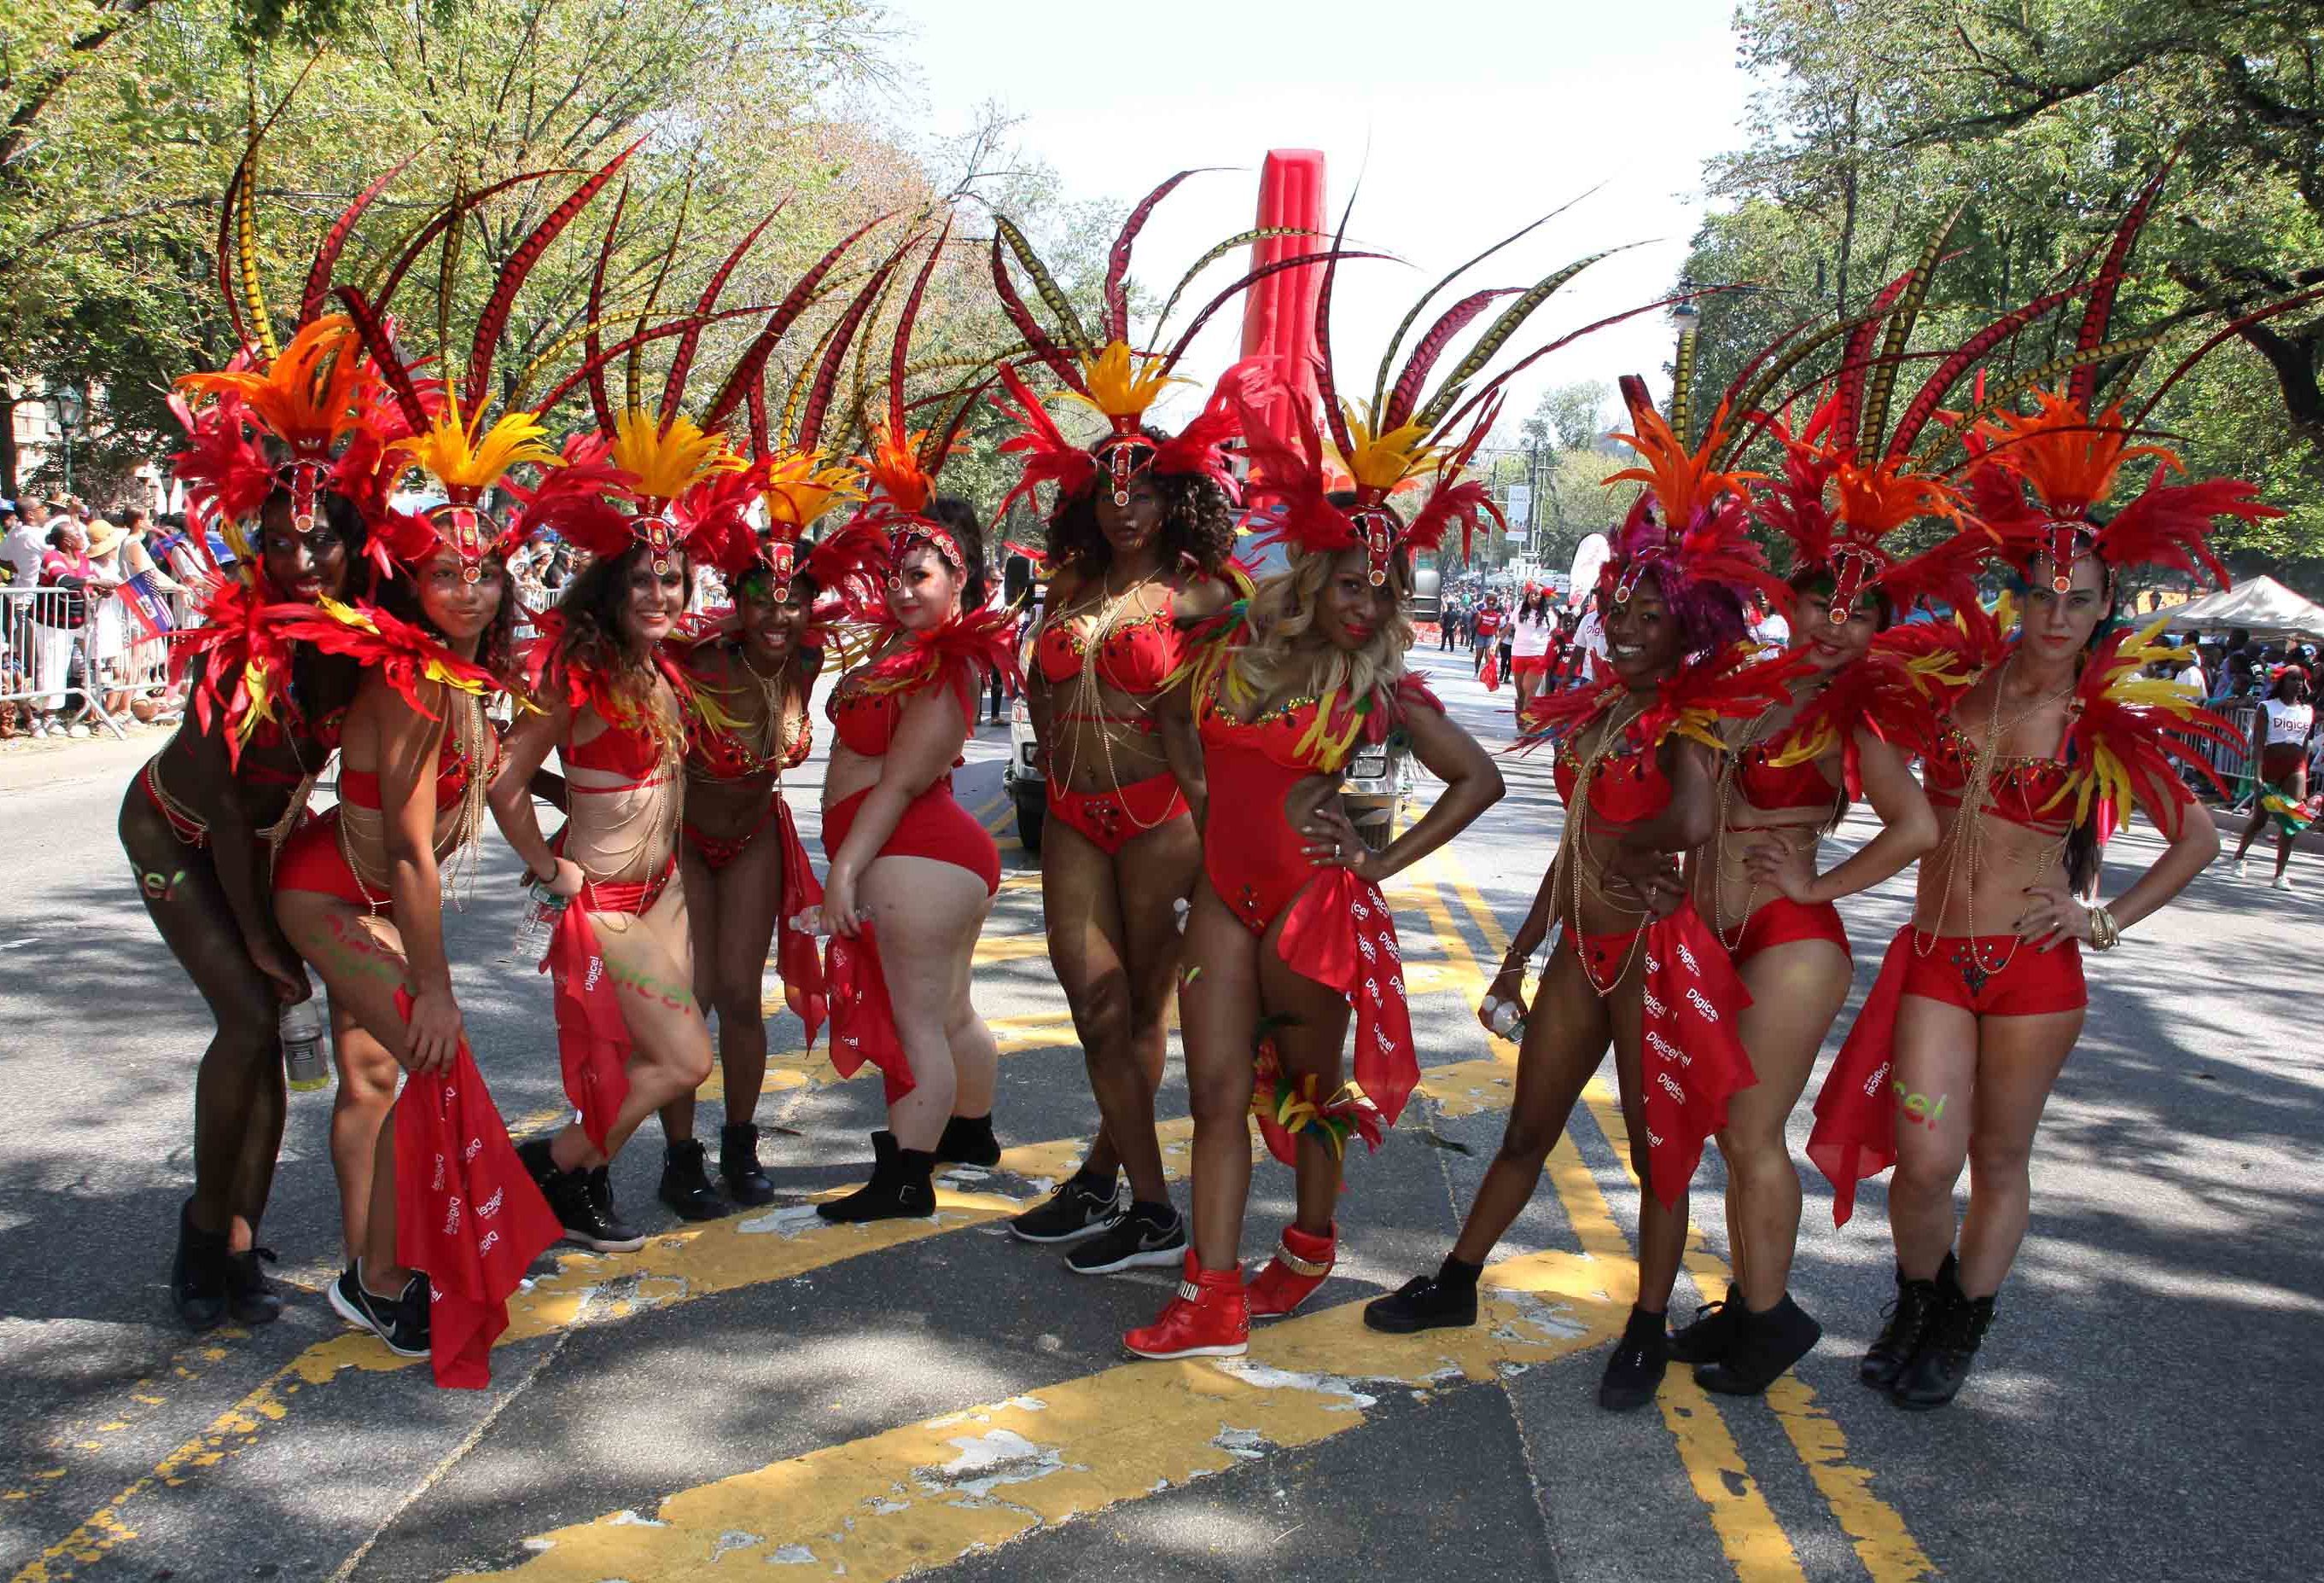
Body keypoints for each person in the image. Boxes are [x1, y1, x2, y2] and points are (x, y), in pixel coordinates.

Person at [1126, 216, 1623, 1357]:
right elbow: (1165, 716)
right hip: (1221, 898)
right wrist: (1203, 813)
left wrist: (1378, 862)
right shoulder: (1233, 655)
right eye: (1351, 578)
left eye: (1383, 583)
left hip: (1311, 906)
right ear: (1316, 575)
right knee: (1211, 1094)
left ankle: (1303, 1243)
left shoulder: (1380, 686)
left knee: (1304, 1090)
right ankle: (1208, 1295)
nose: (1365, 597)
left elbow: (1477, 780)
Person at [1808, 371, 2265, 1410]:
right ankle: (1913, 1301)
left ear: (2106, 607)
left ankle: (1962, 1324)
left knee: (1997, 1157)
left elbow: (2192, 836)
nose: (2056, 613)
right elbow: (1854, 690)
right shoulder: (1949, 681)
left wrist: (2098, 915)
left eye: (2079, 599)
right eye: (2040, 593)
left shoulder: (2100, 717)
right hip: (1933, 955)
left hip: (2031, 973)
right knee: (1924, 1159)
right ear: (2014, 595)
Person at [1362, 377, 1792, 1415]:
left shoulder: (1687, 716)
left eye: (1649, 615)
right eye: (1618, 609)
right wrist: (1519, 949)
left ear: (1684, 625)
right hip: (1578, 951)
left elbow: (1690, 822)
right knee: (1527, 1129)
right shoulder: (1599, 711)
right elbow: (1569, 842)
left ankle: (1646, 1324)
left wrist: (1620, 836)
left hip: (1652, 950)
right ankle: (1456, 1281)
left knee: (1658, 1157)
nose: (1628, 625)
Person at [985, 183, 1283, 1270]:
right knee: (1092, 1002)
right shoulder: (1060, 586)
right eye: (1109, 489)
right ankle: (1135, 1194)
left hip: (1167, 815)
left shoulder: (1209, 598)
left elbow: (1259, 715)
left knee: (1135, 1010)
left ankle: (1127, 1194)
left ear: (1173, 498)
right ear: (1085, 497)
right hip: (1070, 813)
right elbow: (1038, 694)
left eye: (1144, 489)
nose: (1125, 505)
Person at [492, 413, 739, 1250]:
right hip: (605, 902)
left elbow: (607, 779)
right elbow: (503, 778)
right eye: (642, 582)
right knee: (681, 1061)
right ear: (609, 588)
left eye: (672, 581)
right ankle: (545, 1163)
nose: (661, 597)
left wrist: (580, 795)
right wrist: (544, 865)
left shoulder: (655, 665)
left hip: (662, 892)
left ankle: (583, 1183)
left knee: (638, 1061)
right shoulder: (577, 670)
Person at [811, 381, 1017, 1221]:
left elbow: (895, 783)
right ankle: (968, 1131)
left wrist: (841, 874)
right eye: (892, 572)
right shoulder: (906, 645)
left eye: (919, 574)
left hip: (910, 853)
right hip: (925, 857)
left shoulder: (943, 662)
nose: (901, 588)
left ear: (961, 578)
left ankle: (905, 1180)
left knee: (913, 1025)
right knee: (950, 1008)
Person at [664, 452, 850, 1213]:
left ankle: (740, 1145)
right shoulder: (693, 661)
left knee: (741, 995)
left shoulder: (805, 659)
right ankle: (680, 1158)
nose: (778, 615)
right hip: (682, 836)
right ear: (736, 601)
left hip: (754, 838)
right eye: (762, 600)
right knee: (690, 996)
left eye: (794, 600)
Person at [2230, 666, 2313, 888]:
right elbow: (2258, 744)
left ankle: (2280, 874)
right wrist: (2257, 776)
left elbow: (2304, 745)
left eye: (2301, 679)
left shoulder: (2307, 711)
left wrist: (2304, 779)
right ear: (2282, 682)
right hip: (2269, 766)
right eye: (2293, 679)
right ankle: (2239, 857)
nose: (2297, 683)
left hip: (2295, 767)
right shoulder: (2267, 707)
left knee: (2290, 821)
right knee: (2260, 821)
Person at [1509, 585, 1557, 714]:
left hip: (1538, 655)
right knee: (1521, 694)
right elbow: (1507, 629)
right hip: (1518, 654)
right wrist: (1496, 643)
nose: (1533, 596)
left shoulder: (1549, 615)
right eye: (1531, 594)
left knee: (1529, 691)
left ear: (1542, 598)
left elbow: (1554, 634)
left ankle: (1526, 722)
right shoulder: (1519, 609)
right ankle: (1520, 713)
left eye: (1537, 594)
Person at [1471, 591, 1503, 678]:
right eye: (1489, 604)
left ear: (1495, 605)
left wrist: (1497, 644)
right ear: (1486, 604)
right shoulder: (1481, 613)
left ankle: (1485, 674)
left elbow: (1496, 630)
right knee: (1479, 656)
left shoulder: (1496, 616)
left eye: (1492, 605)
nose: (1490, 606)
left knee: (1488, 657)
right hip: (1480, 636)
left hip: (1490, 637)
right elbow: (1474, 625)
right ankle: (1476, 672)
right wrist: (1478, 618)